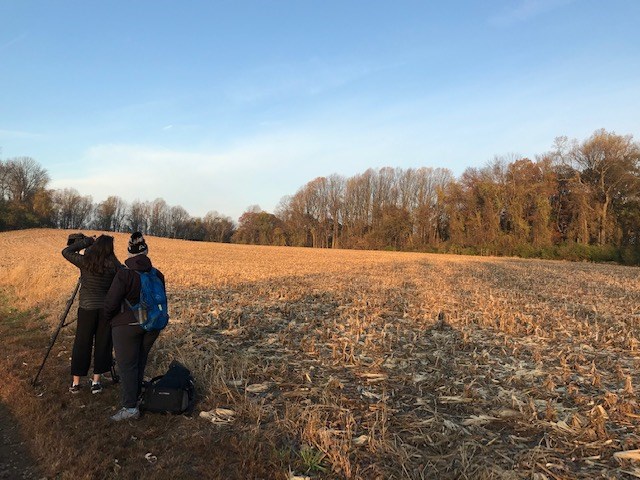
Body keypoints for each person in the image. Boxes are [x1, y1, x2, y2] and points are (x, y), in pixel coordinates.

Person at [105, 232, 166, 421]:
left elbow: (110, 303)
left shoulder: (124, 274)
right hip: (153, 325)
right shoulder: (157, 274)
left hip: (127, 326)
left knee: (127, 366)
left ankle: (130, 408)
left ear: (129, 254)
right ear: (146, 252)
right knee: (139, 361)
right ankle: (137, 397)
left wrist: (109, 320)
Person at [62, 234, 121, 394]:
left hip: (87, 308)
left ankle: (76, 384)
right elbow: (123, 271)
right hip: (106, 310)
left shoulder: (86, 262)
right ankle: (96, 382)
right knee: (103, 344)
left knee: (82, 343)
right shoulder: (112, 265)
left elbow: (66, 251)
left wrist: (86, 241)